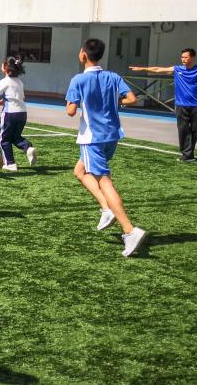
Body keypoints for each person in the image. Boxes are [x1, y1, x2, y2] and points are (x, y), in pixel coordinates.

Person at [67, 38, 146, 257]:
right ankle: (106, 208)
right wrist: (114, 102)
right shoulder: (113, 76)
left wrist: (73, 103)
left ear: (83, 54)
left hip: (92, 138)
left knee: (104, 181)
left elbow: (71, 111)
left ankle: (129, 230)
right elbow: (132, 98)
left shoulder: (78, 80)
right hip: (112, 135)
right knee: (80, 171)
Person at [129, 48, 197, 162]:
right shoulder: (177, 69)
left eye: (186, 57)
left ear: (192, 58)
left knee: (195, 130)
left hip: (196, 105)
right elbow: (158, 69)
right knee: (183, 129)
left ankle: (189, 153)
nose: (183, 59)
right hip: (181, 105)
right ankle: (187, 155)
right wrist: (142, 68)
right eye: (182, 57)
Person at [0, 56, 37, 172]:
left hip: (10, 113)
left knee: (3, 139)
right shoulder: (19, 82)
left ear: (6, 67)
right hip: (22, 113)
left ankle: (10, 163)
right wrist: (4, 100)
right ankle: (28, 148)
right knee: (15, 137)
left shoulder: (4, 81)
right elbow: (20, 97)